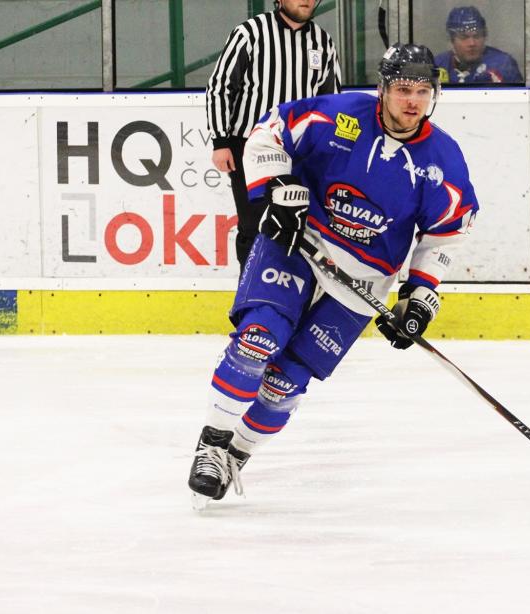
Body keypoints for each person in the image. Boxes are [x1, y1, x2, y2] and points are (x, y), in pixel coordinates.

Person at [187, 43, 480, 506]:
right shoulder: (340, 115)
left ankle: (235, 455)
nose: (412, 101)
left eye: (423, 91)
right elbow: (269, 133)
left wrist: (420, 296)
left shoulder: (443, 159)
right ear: (383, 88)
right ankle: (212, 444)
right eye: (403, 89)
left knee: (286, 382)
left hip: (365, 280)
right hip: (299, 243)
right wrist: (276, 187)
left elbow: (445, 234)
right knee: (258, 338)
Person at [206, 0, 341, 268]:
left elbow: (331, 102)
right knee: (254, 225)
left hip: (300, 151)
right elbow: (220, 87)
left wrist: (330, 151)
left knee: (299, 227)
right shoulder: (249, 33)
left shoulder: (323, 42)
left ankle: (289, 290)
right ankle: (251, 291)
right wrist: (221, 141)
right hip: (250, 147)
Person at [433, 6, 523, 85]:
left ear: (484, 36)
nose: (472, 43)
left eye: (477, 36)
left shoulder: (503, 65)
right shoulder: (439, 65)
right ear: (452, 40)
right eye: (464, 37)